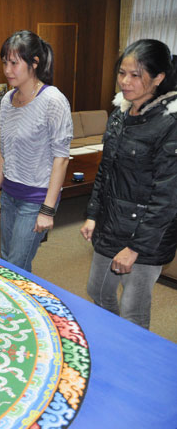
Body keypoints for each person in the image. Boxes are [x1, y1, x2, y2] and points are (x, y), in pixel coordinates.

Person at [80, 39, 177, 329]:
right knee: (98, 290)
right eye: (122, 73)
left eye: (136, 75)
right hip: (112, 225)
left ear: (158, 78)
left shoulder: (170, 124)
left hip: (147, 237)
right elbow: (105, 171)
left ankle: (131, 352)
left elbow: (168, 197)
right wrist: (93, 214)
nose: (125, 81)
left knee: (133, 311)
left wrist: (135, 248)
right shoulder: (119, 115)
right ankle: (113, 337)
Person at [0, 30, 72, 273]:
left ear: (34, 63)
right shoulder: (7, 101)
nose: (7, 70)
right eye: (5, 62)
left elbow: (61, 159)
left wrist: (47, 209)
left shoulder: (53, 100)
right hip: (10, 195)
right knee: (10, 262)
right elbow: (5, 150)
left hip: (36, 199)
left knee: (15, 266)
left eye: (14, 63)